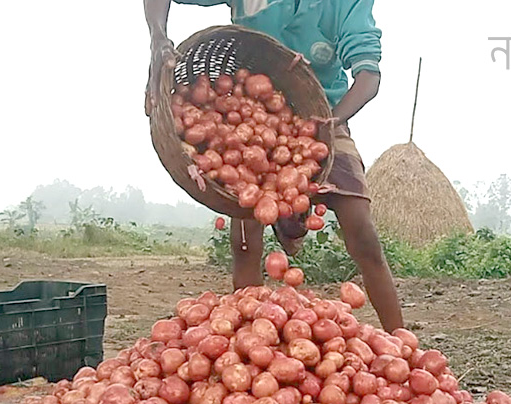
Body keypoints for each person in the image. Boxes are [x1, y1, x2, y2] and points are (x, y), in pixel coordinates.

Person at [143, 0, 404, 332]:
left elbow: (368, 78)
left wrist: (328, 123)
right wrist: (158, 38)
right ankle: (247, 339)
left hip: (324, 116)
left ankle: (403, 346)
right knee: (245, 239)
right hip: (247, 117)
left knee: (362, 232)